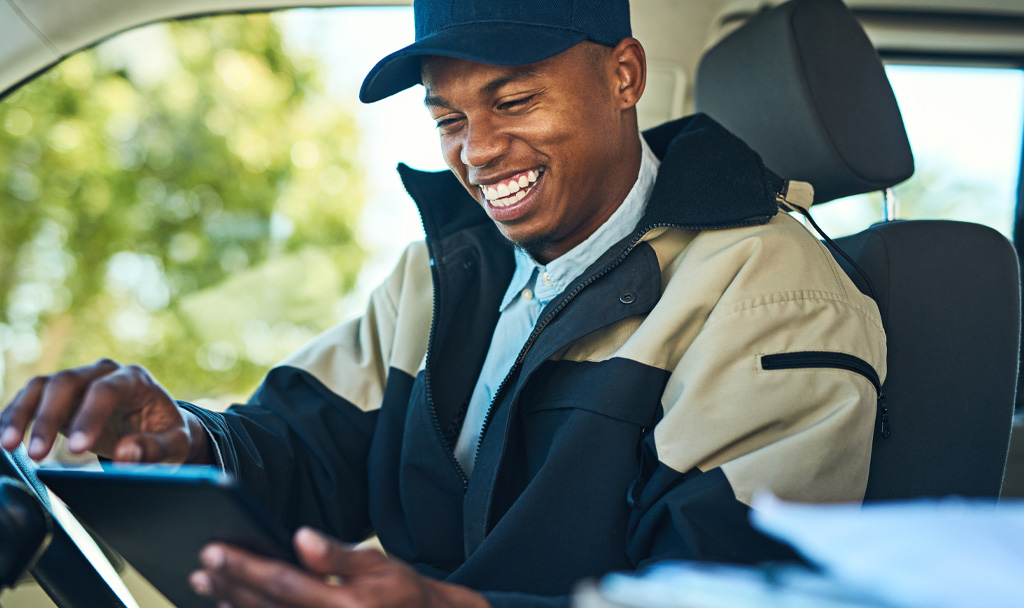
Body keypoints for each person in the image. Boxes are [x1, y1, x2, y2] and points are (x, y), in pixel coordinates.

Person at [0, 0, 887, 606]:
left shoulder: (772, 297)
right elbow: (311, 450)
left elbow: (728, 592)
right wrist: (183, 440)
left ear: (624, 75)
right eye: (449, 119)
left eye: (514, 99)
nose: (480, 151)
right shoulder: (444, 271)